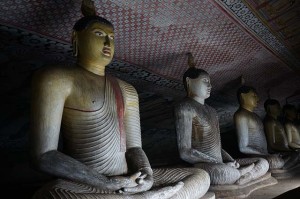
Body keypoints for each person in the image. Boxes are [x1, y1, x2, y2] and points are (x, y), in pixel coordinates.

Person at [29, 1, 210, 198]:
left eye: (111, 37)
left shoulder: (127, 90)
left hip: (129, 179)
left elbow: (134, 148)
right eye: (99, 34)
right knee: (49, 194)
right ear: (76, 38)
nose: (107, 43)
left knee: (200, 176)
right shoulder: (56, 79)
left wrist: (147, 176)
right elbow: (44, 156)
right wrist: (106, 183)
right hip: (88, 184)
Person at [174, 53, 269, 185]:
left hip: (220, 162)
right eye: (205, 81)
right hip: (205, 165)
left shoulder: (212, 111)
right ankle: (240, 175)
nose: (210, 86)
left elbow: (218, 147)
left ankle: (242, 175)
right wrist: (218, 162)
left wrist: (231, 160)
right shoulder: (185, 107)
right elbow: (185, 152)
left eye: (210, 82)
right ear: (189, 82)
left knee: (263, 162)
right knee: (224, 173)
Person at [234, 86, 289, 169]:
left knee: (288, 157)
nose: (258, 98)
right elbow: (243, 147)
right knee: (276, 161)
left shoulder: (256, 116)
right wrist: (265, 154)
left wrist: (268, 153)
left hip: (265, 154)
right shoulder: (241, 115)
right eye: (254, 96)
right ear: (243, 96)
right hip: (253, 156)